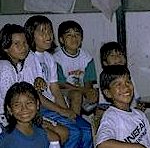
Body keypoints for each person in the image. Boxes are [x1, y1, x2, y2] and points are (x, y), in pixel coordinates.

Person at [24, 15, 94, 148]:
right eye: (42, 31)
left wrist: (66, 111)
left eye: (50, 31)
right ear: (31, 35)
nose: (48, 35)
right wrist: (62, 111)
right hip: (40, 109)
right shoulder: (29, 59)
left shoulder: (49, 58)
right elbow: (36, 97)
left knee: (87, 130)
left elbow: (55, 90)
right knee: (74, 132)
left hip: (52, 107)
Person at [0, 23, 68, 144]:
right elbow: (11, 104)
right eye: (17, 44)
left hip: (21, 115)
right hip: (8, 120)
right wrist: (38, 120)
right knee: (58, 134)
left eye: (25, 43)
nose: (23, 47)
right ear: (5, 47)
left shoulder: (20, 64)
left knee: (61, 132)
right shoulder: (5, 67)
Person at [96, 65, 150, 148]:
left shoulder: (140, 114)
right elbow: (102, 144)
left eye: (128, 81)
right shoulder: (111, 117)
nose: (125, 87)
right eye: (118, 84)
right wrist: (136, 147)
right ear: (108, 93)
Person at [53, 20, 98, 115]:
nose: (74, 38)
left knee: (97, 93)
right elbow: (60, 84)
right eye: (69, 35)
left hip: (81, 90)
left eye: (77, 34)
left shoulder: (87, 58)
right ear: (61, 40)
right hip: (62, 91)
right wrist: (84, 91)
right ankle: (74, 124)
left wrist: (89, 92)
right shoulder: (56, 59)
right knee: (76, 95)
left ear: (81, 38)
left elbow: (88, 82)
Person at [0, 81, 60, 148]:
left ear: (37, 104)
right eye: (17, 105)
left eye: (29, 103)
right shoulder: (5, 138)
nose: (24, 109)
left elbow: (54, 139)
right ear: (10, 109)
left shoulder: (43, 134)